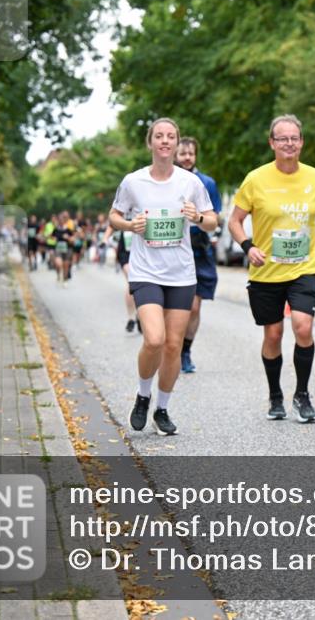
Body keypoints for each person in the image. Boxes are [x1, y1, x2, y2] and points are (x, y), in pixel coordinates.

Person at [109, 117, 218, 435]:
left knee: (173, 346)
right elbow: (114, 215)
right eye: (159, 136)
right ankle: (143, 396)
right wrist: (131, 226)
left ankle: (162, 409)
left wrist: (196, 216)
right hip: (146, 272)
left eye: (171, 136)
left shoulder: (190, 183)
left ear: (176, 142)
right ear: (150, 143)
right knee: (154, 339)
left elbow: (211, 220)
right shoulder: (134, 182)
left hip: (182, 274)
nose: (165, 141)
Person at [228, 114, 315, 423]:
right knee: (273, 334)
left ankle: (302, 394)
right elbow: (234, 221)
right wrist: (248, 247)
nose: (289, 143)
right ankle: (275, 395)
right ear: (272, 143)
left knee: (303, 326)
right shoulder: (256, 179)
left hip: (304, 267)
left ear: (301, 142)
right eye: (282, 138)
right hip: (266, 271)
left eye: (294, 138)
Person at [175, 137, 223, 374]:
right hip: (171, 249)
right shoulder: (166, 181)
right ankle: (169, 346)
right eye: (182, 153)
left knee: (193, 307)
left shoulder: (207, 183)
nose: (186, 158)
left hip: (198, 249)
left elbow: (216, 216)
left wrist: (201, 220)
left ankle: (184, 350)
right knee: (173, 306)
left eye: (190, 154)